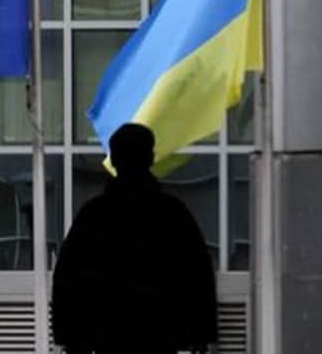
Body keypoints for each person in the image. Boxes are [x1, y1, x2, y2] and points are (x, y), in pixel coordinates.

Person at [52, 123, 217, 354]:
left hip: (107, 334)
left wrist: (69, 336)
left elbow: (69, 277)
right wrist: (201, 333)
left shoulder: (94, 215)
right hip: (160, 333)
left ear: (114, 160)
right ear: (150, 158)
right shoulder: (171, 213)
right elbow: (197, 274)